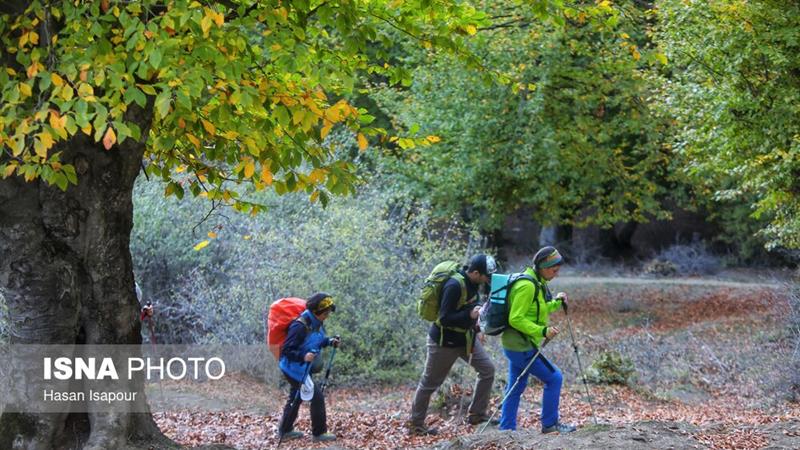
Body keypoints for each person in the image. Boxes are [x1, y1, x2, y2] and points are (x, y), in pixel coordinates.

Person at [409, 254, 498, 435]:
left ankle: (477, 414)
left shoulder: (474, 284)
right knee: (429, 384)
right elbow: (445, 317)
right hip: (443, 342)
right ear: (474, 272)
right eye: (486, 276)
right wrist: (470, 316)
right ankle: (416, 425)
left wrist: (477, 328)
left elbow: (472, 307)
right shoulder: (454, 285)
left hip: (465, 339)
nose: (488, 280)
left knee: (488, 370)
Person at [499, 246, 576, 433]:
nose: (556, 274)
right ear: (543, 266)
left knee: (516, 385)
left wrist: (556, 303)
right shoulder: (527, 286)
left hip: (516, 344)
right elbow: (515, 318)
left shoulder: (536, 282)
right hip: (521, 345)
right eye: (554, 270)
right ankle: (550, 424)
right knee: (554, 378)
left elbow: (537, 311)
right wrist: (542, 331)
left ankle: (506, 430)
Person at [278, 293, 341, 442]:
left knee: (296, 396)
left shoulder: (316, 324)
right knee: (317, 397)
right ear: (316, 312)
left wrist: (329, 342)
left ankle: (285, 430)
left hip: (302, 368)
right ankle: (319, 433)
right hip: (293, 369)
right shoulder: (300, 326)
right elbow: (286, 350)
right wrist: (303, 356)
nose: (327, 316)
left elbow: (316, 340)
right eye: (325, 313)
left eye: (328, 313)